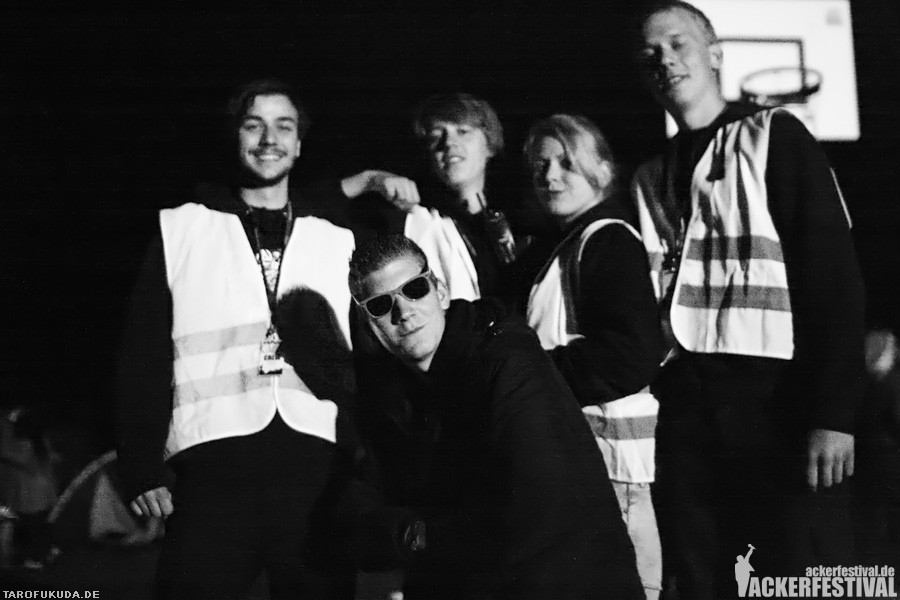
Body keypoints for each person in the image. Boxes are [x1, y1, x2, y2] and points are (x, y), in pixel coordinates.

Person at [630, 2, 866, 598]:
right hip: (687, 411)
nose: (665, 59)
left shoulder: (772, 135)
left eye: (678, 44)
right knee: (706, 578)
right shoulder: (649, 175)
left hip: (775, 402)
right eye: (651, 52)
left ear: (715, 55)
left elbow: (833, 278)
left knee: (790, 575)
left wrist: (833, 413)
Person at [115, 78, 359, 599]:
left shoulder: (337, 237)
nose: (269, 139)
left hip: (317, 472)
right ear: (235, 137)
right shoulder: (181, 229)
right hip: (211, 473)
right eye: (254, 125)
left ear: (299, 144)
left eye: (283, 127)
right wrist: (140, 464)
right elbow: (142, 353)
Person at [347, 234, 644, 600]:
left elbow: (534, 512)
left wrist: (416, 535)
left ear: (440, 291)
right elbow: (357, 513)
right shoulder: (394, 394)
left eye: (414, 290)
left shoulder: (507, 360)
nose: (403, 312)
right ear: (369, 324)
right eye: (381, 305)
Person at [519, 114, 665, 599]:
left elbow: (630, 355)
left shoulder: (607, 239)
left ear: (602, 169)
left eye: (566, 162)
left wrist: (533, 379)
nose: (550, 176)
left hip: (611, 469)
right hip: (581, 465)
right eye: (540, 165)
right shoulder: (564, 243)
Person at [338, 92, 525, 301]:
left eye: (463, 131)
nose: (449, 143)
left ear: (490, 143)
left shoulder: (523, 221)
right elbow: (313, 209)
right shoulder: (413, 219)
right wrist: (369, 179)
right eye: (436, 136)